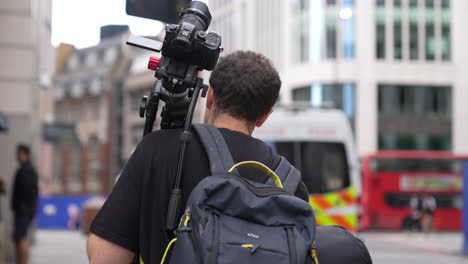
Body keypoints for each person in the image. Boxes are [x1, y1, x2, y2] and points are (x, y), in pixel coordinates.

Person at [87, 51, 309, 264]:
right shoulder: (289, 183)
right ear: (264, 115)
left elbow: (106, 257)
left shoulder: (155, 150)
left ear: (210, 95)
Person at [11, 144, 39, 264]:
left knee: (21, 238)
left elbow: (27, 191)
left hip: (23, 211)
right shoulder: (28, 169)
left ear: (25, 154)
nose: (17, 156)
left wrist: (22, 207)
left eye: (19, 153)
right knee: (20, 238)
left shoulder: (26, 170)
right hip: (25, 210)